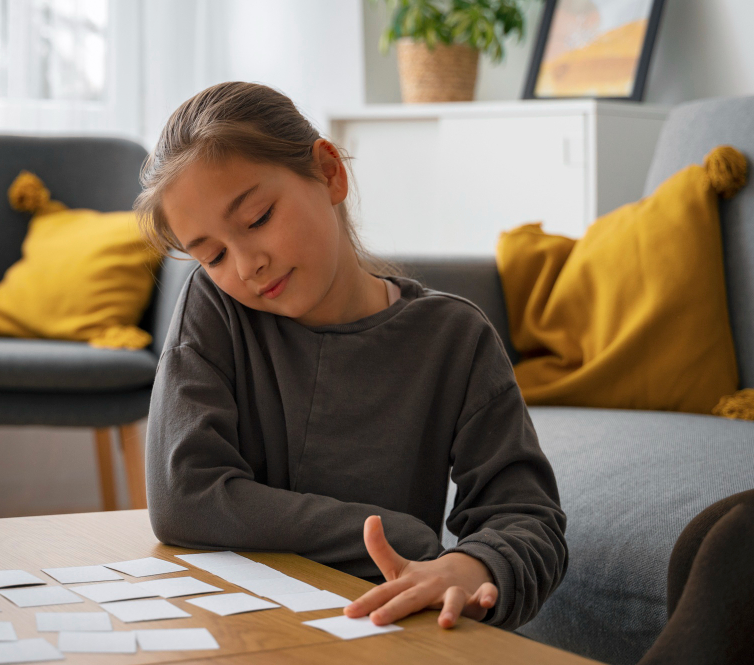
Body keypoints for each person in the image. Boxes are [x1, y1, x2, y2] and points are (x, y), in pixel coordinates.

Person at [132, 81, 567, 631]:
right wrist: (393, 534)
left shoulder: (454, 337)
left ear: (329, 172)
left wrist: (468, 563)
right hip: (244, 631)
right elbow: (183, 498)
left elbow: (527, 518)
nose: (246, 266)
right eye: (213, 254)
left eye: (259, 218)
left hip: (386, 634)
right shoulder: (215, 307)